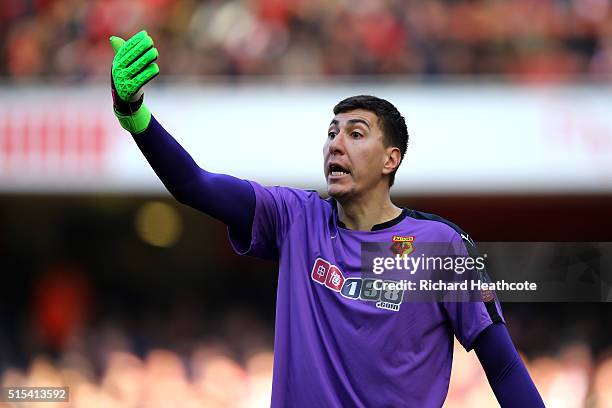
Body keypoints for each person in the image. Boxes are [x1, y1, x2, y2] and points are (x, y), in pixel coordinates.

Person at [109, 31, 545, 407]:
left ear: (391, 159)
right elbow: (194, 185)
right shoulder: (295, 218)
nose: (336, 144)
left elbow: (503, 368)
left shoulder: (439, 246)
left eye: (355, 134)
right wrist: (135, 115)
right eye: (332, 133)